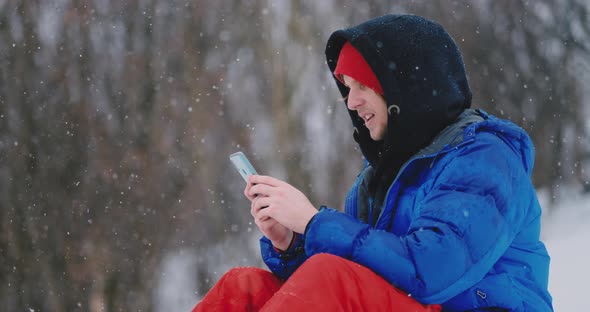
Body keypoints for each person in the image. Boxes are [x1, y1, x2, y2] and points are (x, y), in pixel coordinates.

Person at [193, 14, 553, 311]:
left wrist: (315, 223)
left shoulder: (485, 159)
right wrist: (292, 242)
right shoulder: (379, 180)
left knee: (329, 276)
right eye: (346, 89)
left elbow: (430, 272)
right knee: (243, 289)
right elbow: (360, 281)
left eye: (361, 86)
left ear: (405, 87)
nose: (351, 103)